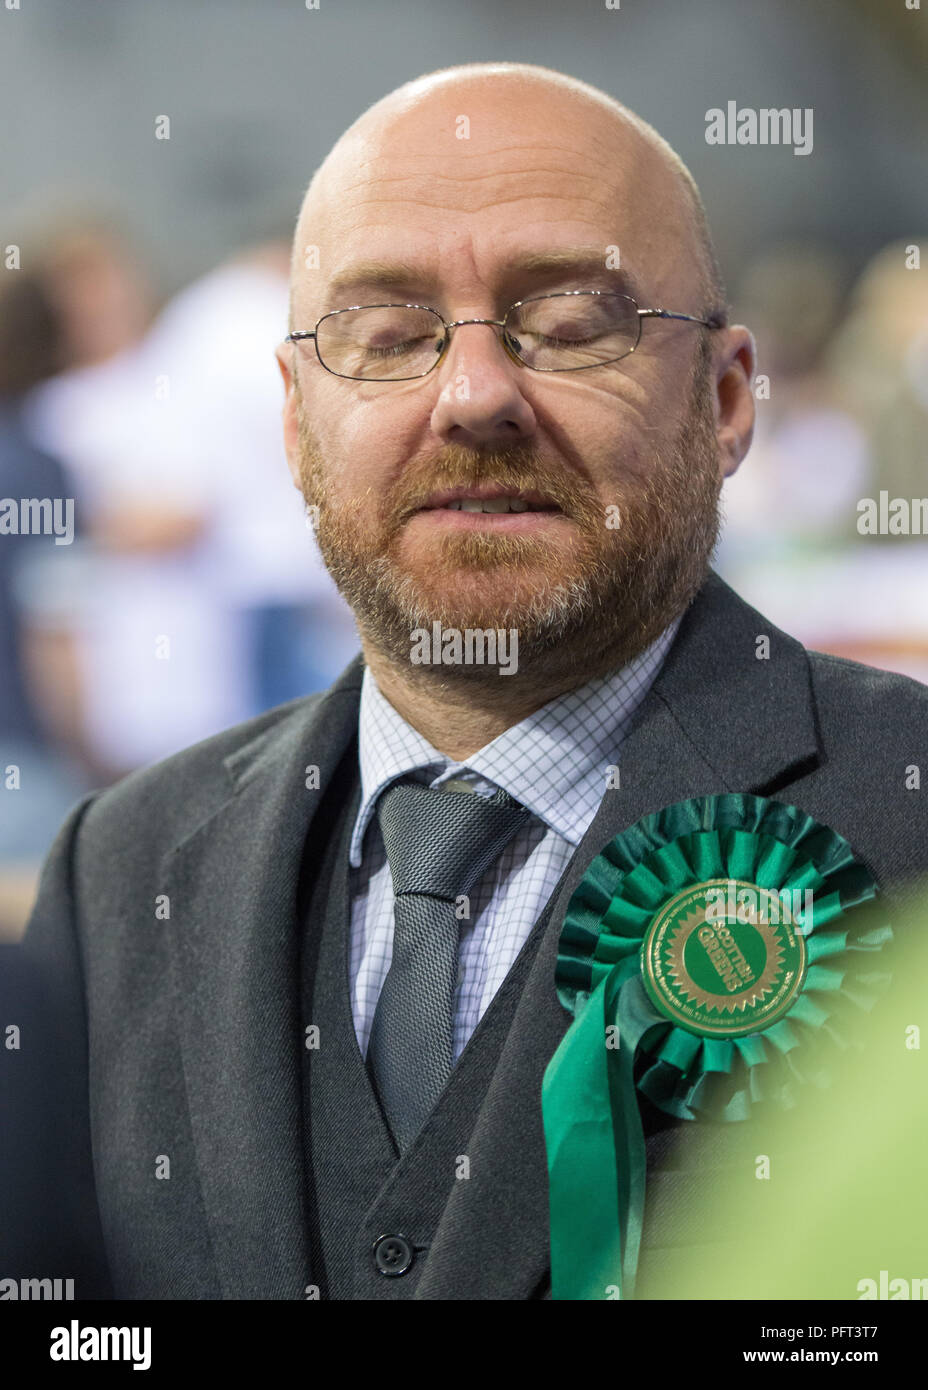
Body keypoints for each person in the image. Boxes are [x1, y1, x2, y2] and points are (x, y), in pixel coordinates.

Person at [6, 62, 928, 1301]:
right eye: (386, 335)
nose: (475, 394)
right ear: (293, 421)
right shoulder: (118, 873)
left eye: (571, 323)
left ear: (721, 399)